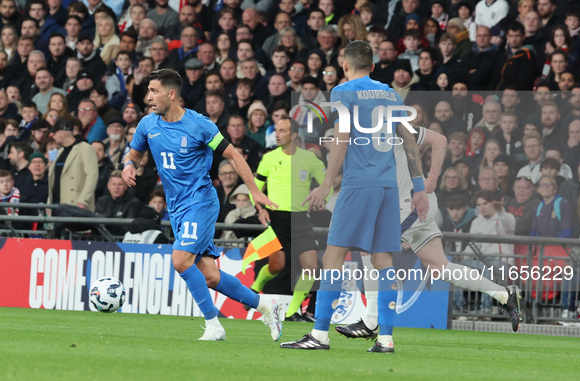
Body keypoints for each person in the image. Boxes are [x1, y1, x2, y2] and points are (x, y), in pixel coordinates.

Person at [280, 40, 429, 352]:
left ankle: (318, 335)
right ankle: (386, 339)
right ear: (373, 66)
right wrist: (419, 189)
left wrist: (326, 184)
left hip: (358, 185)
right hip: (388, 187)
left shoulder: (342, 91)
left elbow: (342, 137)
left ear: (344, 66)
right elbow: (409, 141)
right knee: (382, 259)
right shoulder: (390, 93)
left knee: (333, 256)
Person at [121, 68, 281, 342]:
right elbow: (134, 153)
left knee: (181, 260)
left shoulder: (199, 125)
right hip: (177, 208)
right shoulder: (148, 125)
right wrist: (127, 166)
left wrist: (255, 192)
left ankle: (213, 325)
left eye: (154, 91)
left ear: (172, 94)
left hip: (201, 202)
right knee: (209, 275)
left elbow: (233, 155)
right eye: (148, 91)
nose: (149, 96)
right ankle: (265, 305)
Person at [336, 127, 522, 342]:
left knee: (369, 251)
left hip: (412, 206)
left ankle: (370, 322)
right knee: (441, 267)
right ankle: (503, 294)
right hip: (411, 208)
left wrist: (432, 179)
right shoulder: (368, 133)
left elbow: (440, 140)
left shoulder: (394, 124)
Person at [251, 117, 325, 322]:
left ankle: (293, 311)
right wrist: (260, 209)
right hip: (276, 217)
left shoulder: (309, 159)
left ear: (294, 135)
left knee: (311, 266)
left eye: (282, 131)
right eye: (276, 130)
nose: (277, 134)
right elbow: (255, 189)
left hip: (301, 219)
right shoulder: (269, 158)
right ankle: (255, 287)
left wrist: (321, 198)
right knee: (279, 266)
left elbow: (325, 182)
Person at [47, 118, 99, 210]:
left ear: (62, 133)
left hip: (75, 204)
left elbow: (92, 175)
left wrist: (84, 199)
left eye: (55, 134)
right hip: (57, 203)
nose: (53, 136)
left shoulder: (85, 148)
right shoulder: (61, 151)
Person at [95, 169, 143, 234]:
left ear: (126, 186)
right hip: (102, 240)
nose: (116, 187)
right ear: (108, 186)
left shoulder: (134, 203)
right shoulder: (101, 201)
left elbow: (128, 226)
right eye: (114, 184)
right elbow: (96, 224)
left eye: (120, 184)